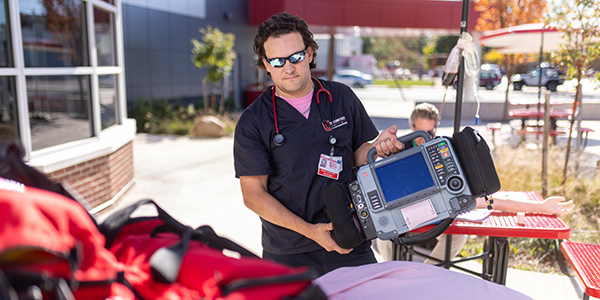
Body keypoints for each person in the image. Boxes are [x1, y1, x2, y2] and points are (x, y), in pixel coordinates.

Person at [233, 12, 404, 275]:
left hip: (350, 239)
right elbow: (254, 195)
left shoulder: (341, 97)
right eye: (277, 61)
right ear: (266, 65)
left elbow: (358, 154)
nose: (288, 68)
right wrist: (311, 232)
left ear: (310, 54)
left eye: (296, 57)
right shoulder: (253, 121)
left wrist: (377, 149)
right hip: (288, 251)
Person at [374, 102, 575, 263]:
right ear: (412, 127)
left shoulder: (444, 157)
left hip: (435, 215)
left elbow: (495, 202)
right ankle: (391, 268)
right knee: (382, 232)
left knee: (457, 237)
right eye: (421, 132)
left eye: (431, 132)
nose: (426, 138)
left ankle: (428, 272)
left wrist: (541, 206)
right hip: (402, 215)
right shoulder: (398, 153)